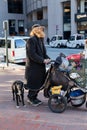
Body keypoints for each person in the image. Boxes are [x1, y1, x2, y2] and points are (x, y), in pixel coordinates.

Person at [25, 24, 51, 106]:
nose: (42, 31)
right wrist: (43, 60)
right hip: (33, 68)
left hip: (40, 67)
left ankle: (34, 97)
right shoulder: (31, 40)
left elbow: (43, 53)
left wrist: (48, 59)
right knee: (34, 83)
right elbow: (32, 54)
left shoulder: (40, 40)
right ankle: (30, 98)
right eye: (40, 29)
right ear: (36, 31)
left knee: (39, 83)